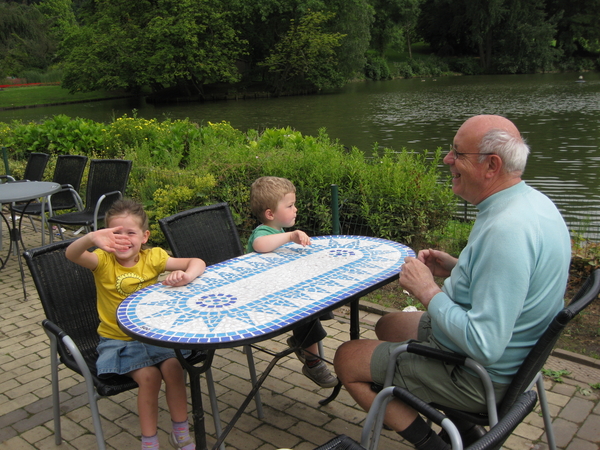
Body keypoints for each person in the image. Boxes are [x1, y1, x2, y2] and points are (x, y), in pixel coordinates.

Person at [333, 115, 571, 450]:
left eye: (458, 154)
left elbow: (484, 343)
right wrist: (458, 268)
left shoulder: (506, 231)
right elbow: (514, 281)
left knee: (346, 357)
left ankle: (435, 446)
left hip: (481, 377)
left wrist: (427, 290)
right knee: (388, 324)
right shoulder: (532, 205)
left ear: (492, 165)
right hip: (509, 360)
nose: (447, 160)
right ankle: (465, 431)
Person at [66, 199, 206, 450]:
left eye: (130, 232)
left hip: (153, 336)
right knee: (150, 377)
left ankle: (181, 433)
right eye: (115, 233)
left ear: (144, 236)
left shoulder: (152, 257)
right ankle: (149, 442)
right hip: (118, 341)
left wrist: (186, 276)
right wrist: (92, 238)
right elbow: (71, 254)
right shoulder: (102, 261)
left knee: (174, 368)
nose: (122, 239)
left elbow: (197, 261)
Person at [247, 176, 338, 388]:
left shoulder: (277, 230)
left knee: (317, 298)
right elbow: (260, 244)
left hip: (279, 290)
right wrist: (290, 237)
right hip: (261, 298)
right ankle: (312, 361)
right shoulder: (263, 232)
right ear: (270, 214)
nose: (295, 209)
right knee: (307, 308)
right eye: (290, 205)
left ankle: (301, 342)